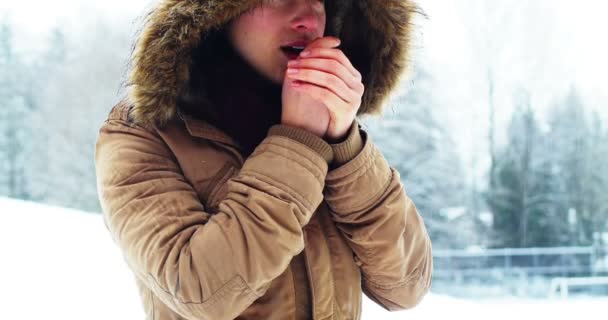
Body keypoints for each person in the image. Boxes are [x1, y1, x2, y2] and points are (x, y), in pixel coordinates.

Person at [95, 0, 432, 319]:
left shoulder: (328, 123)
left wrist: (346, 144)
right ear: (218, 12)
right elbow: (203, 293)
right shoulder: (143, 134)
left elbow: (406, 286)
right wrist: (298, 140)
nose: (310, 19)